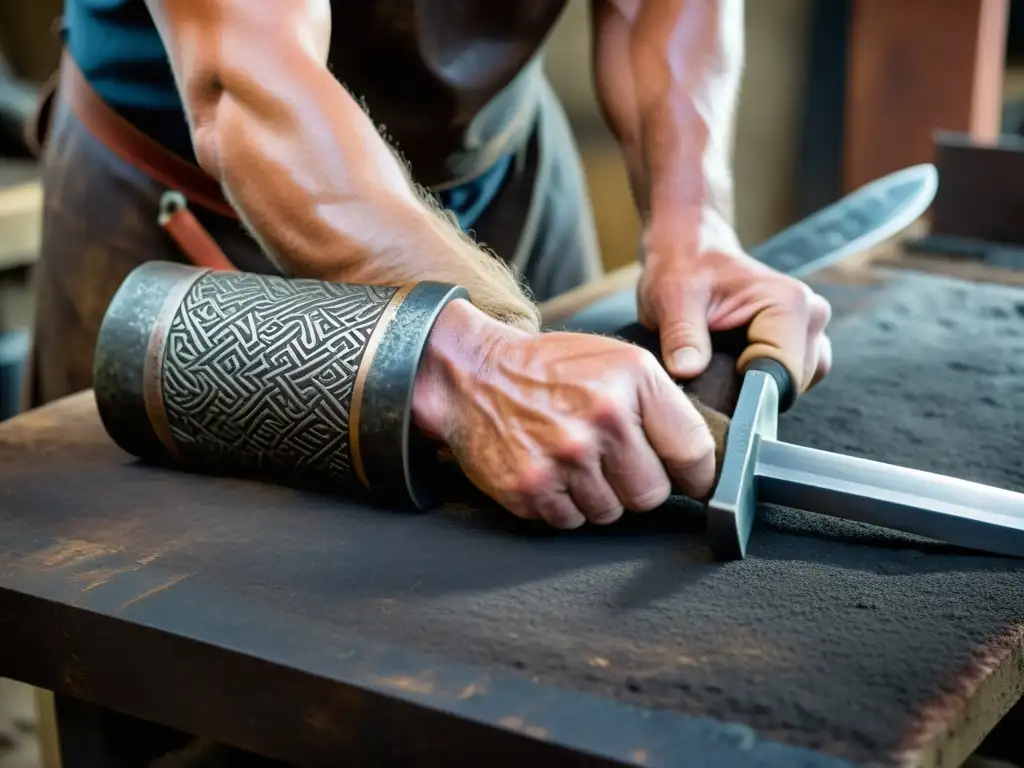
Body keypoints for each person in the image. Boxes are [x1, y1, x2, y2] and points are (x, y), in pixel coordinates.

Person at [27, 0, 832, 526]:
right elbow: (248, 77)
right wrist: (478, 359)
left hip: (501, 175)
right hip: (202, 218)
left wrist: (692, 221)